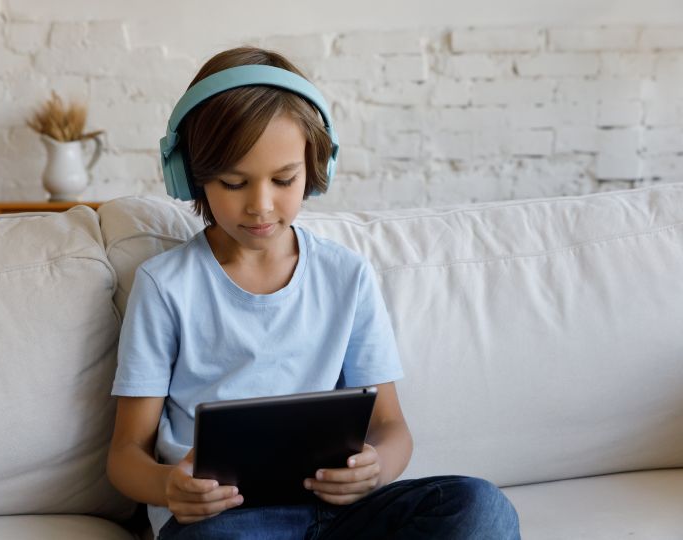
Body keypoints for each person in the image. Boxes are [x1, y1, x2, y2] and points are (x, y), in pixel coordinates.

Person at [106, 46, 520, 540]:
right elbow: (125, 456)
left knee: (480, 507)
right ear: (190, 174)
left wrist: (378, 466)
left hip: (340, 513)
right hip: (226, 523)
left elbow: (392, 428)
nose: (261, 205)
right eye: (234, 182)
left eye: (284, 180)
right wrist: (168, 485)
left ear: (316, 168)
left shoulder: (347, 276)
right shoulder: (165, 287)